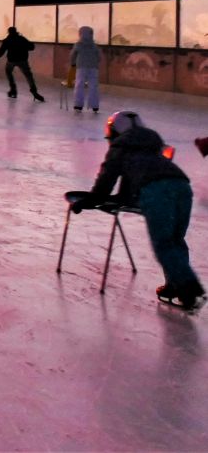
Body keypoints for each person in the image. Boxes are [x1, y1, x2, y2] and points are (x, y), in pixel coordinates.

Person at [72, 111, 204, 310]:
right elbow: (132, 178)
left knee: (164, 244)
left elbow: (106, 181)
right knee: (176, 240)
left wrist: (88, 201)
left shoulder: (120, 146)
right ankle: (175, 286)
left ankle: (188, 289)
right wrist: (118, 198)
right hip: (182, 186)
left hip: (155, 190)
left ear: (116, 132)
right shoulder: (152, 142)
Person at [0, 26, 45, 102]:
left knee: (8, 72)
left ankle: (13, 89)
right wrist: (25, 46)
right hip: (22, 60)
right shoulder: (21, 39)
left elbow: (2, 50)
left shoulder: (7, 40)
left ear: (9, 32)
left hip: (11, 60)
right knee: (28, 76)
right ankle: (34, 92)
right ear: (16, 31)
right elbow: (31, 47)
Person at [69, 26, 101, 113]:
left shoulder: (78, 45)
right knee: (93, 86)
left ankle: (78, 105)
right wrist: (96, 62)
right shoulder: (94, 46)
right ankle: (95, 106)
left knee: (79, 85)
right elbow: (99, 57)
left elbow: (72, 55)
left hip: (81, 67)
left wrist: (72, 64)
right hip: (93, 67)